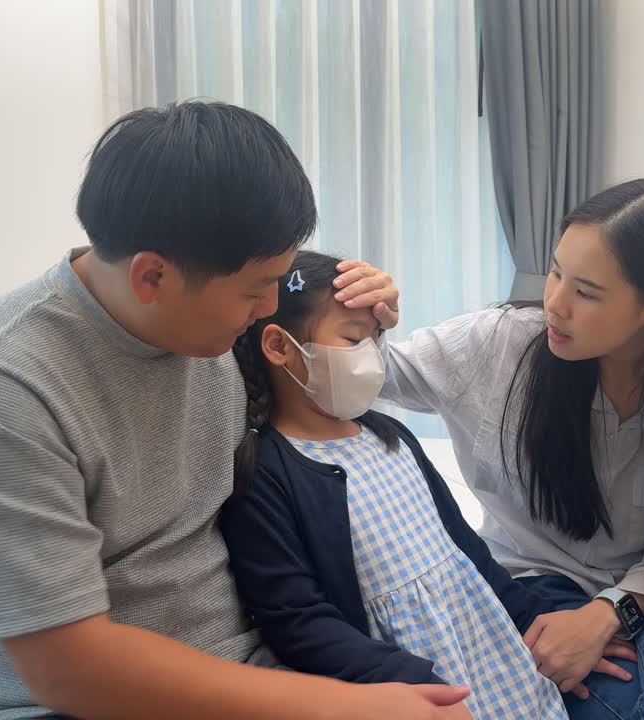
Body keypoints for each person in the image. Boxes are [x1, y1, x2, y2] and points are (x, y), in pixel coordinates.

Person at [0, 101, 465, 720]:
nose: (268, 308)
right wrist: (337, 705)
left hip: (240, 665)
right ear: (152, 277)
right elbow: (67, 668)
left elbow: (314, 376)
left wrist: (364, 318)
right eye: (256, 290)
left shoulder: (209, 332)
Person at [375, 179, 644, 719]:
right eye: (556, 272)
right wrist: (361, 314)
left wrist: (606, 615)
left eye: (586, 292)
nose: (554, 303)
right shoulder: (502, 343)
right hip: (534, 583)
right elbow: (371, 376)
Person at [220, 251, 570, 720]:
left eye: (376, 338)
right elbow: (298, 620)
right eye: (352, 338)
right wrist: (412, 682)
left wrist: (536, 618)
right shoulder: (267, 472)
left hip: (492, 657)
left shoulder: (391, 436)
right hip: (405, 689)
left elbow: (463, 545)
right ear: (279, 347)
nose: (370, 355)